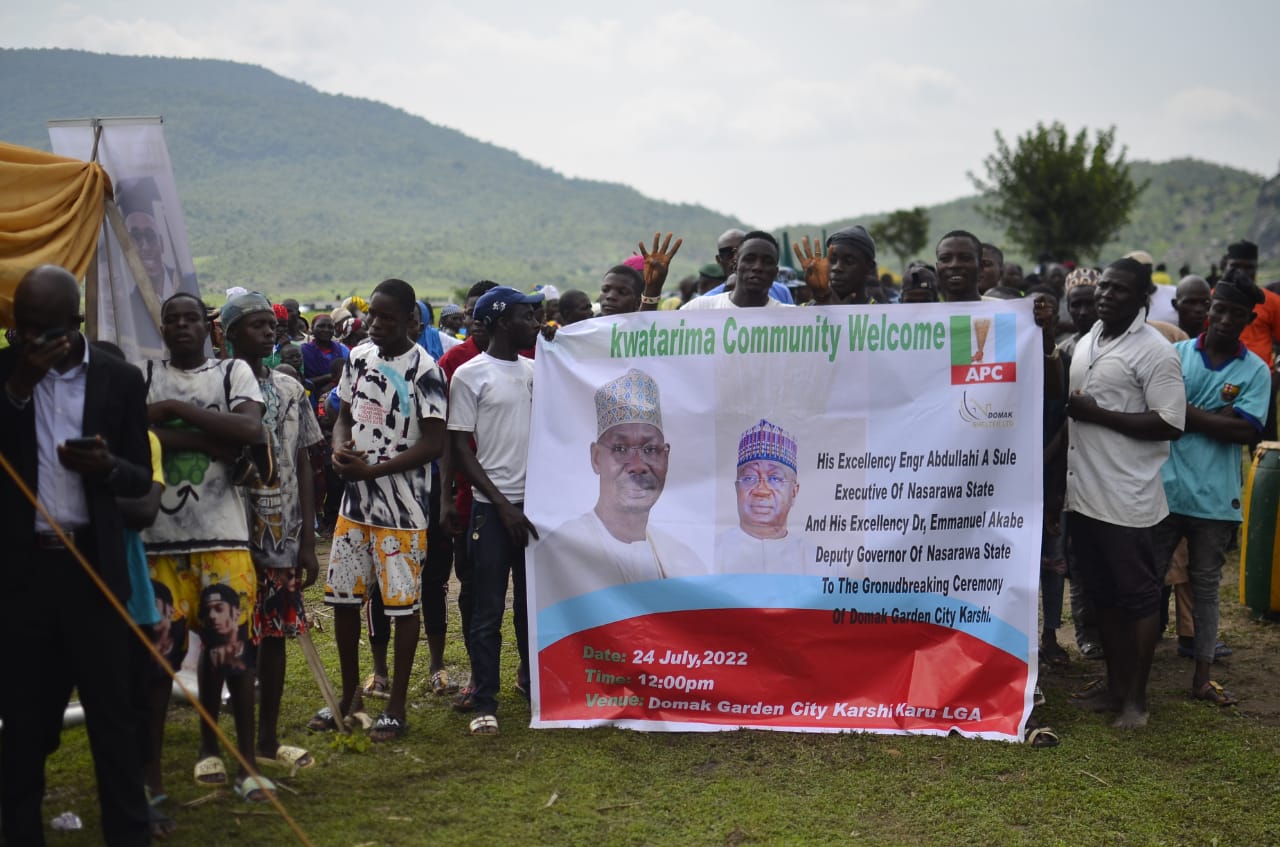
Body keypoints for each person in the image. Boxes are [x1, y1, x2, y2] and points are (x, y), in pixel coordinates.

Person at [1, 265, 153, 846]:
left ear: (75, 325)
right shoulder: (5, 374)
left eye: (43, 330)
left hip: (93, 570)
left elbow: (140, 475)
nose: (30, 340)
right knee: (24, 725)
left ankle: (128, 835)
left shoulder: (117, 379)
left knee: (113, 720)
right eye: (21, 329)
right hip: (21, 576)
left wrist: (108, 468)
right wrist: (17, 385)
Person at [141, 291, 267, 801]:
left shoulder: (233, 372)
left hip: (224, 539)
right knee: (155, 666)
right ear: (163, 328)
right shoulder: (144, 375)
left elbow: (249, 429)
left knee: (232, 658)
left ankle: (246, 766)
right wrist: (207, 441)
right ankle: (151, 781)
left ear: (208, 326)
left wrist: (170, 414)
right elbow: (133, 432)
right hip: (159, 546)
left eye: (191, 317)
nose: (181, 326)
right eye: (172, 319)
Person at [323, 278, 447, 742]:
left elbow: (434, 444)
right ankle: (351, 694)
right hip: (354, 508)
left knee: (401, 606)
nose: (376, 324)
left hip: (403, 512)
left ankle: (396, 705)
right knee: (343, 600)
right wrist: (339, 452)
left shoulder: (427, 370)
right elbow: (343, 416)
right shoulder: (357, 358)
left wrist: (372, 472)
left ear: (411, 318)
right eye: (373, 315)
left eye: (388, 317)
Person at [1065, 258, 1185, 729]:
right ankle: (1114, 688)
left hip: (1126, 499)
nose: (1106, 295)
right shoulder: (1089, 339)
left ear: (1143, 299)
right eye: (1103, 287)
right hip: (1083, 495)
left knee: (1137, 599)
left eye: (1119, 290)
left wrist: (1101, 416)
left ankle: (1137, 700)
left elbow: (1172, 422)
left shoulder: (1155, 351)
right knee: (1102, 598)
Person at [1152, 270, 1270, 708]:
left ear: (1246, 319)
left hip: (1216, 499)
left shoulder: (1255, 370)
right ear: (1209, 309)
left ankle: (1201, 676)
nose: (1223, 318)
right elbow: (1163, 413)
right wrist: (1215, 415)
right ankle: (1137, 670)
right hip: (1164, 490)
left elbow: (1244, 432)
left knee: (1205, 587)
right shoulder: (1176, 354)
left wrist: (1188, 412)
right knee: (1151, 584)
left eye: (1234, 313)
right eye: (1218, 309)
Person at [222, 291, 323, 771]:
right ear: (229, 333)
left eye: (271, 325)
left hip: (281, 534)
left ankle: (267, 737)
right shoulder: (217, 386)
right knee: (231, 638)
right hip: (227, 530)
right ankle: (215, 744)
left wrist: (306, 538)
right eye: (256, 325)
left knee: (276, 633)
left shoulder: (289, 388)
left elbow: (304, 459)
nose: (269, 332)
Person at [444, 286, 543, 735]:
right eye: (528, 314)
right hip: (491, 510)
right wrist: (502, 505)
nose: (536, 321)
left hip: (535, 511)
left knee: (530, 606)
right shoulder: (470, 375)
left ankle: (535, 685)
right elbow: (460, 448)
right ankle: (486, 698)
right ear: (504, 321)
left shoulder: (538, 371)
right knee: (486, 609)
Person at [535, 368, 700, 609]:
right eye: (620, 449)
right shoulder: (562, 550)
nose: (637, 466)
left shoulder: (683, 557)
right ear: (596, 457)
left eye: (650, 450)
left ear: (666, 457)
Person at [714, 419, 808, 573]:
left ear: (794, 491)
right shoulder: (709, 556)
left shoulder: (819, 566)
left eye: (775, 479)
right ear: (737, 488)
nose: (761, 490)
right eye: (749, 478)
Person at [1223, 240, 1280, 439]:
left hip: (1263, 380)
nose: (1242, 272)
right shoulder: (1215, 299)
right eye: (1236, 266)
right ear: (1226, 265)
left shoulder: (1271, 301)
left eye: (1249, 267)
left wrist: (1275, 378)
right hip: (1222, 381)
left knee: (1264, 444)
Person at [682, 232, 791, 310]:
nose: (757, 267)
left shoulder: (791, 316)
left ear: (776, 272)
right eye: (749, 259)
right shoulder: (700, 308)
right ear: (735, 265)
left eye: (767, 261)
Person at [300, 314, 349, 396]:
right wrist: (328, 377)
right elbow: (300, 380)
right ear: (312, 328)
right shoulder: (303, 351)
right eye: (321, 326)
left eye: (330, 327)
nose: (326, 330)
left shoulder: (342, 350)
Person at [935, 231, 984, 302]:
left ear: (980, 268)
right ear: (937, 268)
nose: (954, 265)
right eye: (945, 259)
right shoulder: (924, 312)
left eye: (965, 258)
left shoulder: (1001, 310)